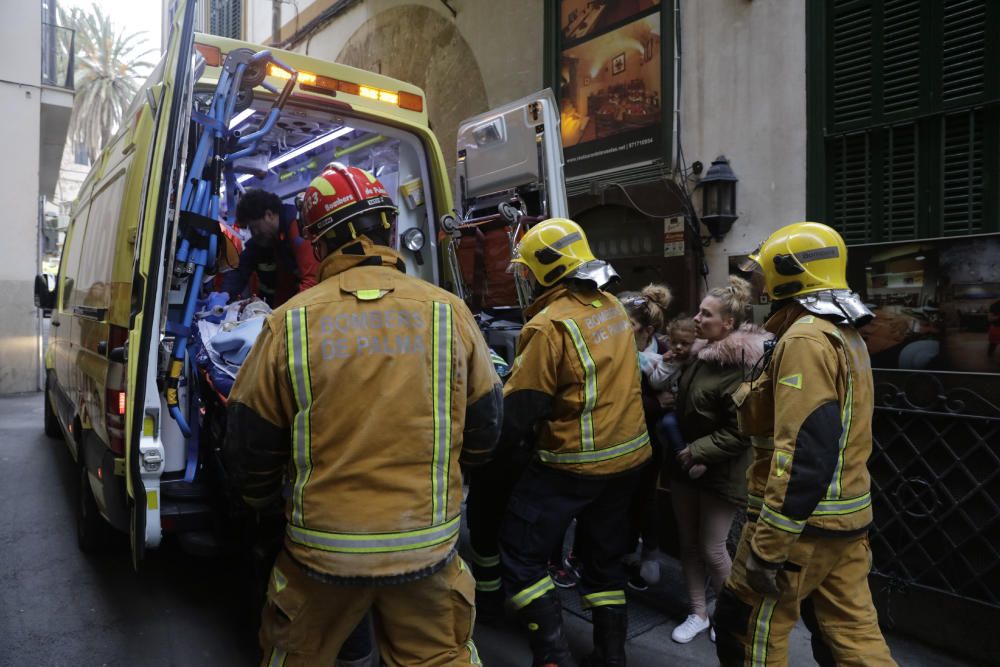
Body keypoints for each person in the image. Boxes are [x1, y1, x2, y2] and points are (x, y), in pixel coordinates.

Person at [224, 162, 503, 667]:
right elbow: (485, 428)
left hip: (321, 553)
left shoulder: (289, 323)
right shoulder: (448, 312)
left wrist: (267, 504)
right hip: (428, 547)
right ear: (388, 228)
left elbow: (249, 445)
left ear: (321, 243)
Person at [715, 221, 897, 666]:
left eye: (762, 272)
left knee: (748, 632)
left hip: (799, 528)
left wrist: (768, 549)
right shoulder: (843, 333)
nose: (756, 282)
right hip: (845, 524)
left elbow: (804, 455)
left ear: (789, 273)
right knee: (853, 639)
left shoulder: (804, 338)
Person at [497, 218, 650, 667]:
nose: (524, 278)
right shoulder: (612, 306)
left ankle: (553, 656)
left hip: (571, 466)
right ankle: (611, 655)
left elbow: (521, 409)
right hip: (629, 461)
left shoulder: (549, 326)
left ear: (545, 270)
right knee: (603, 561)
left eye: (526, 270)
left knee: (521, 557)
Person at [669, 276, 771, 645]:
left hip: (720, 469)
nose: (697, 319)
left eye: (706, 314)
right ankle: (697, 613)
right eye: (698, 311)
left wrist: (698, 451)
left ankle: (731, 615)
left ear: (728, 323)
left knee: (713, 548)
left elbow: (742, 429)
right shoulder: (700, 353)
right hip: (684, 465)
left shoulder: (741, 363)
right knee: (689, 544)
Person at [619, 284, 673, 591]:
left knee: (645, 498)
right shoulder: (617, 351)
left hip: (652, 441)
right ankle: (625, 552)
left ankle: (648, 554)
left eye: (631, 325)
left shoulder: (666, 351)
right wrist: (653, 403)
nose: (623, 330)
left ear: (648, 330)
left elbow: (673, 397)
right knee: (621, 498)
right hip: (620, 436)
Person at [220, 188, 319, 307]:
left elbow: (312, 281)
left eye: (254, 227)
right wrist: (224, 295)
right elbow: (241, 268)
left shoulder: (296, 227)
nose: (254, 233)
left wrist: (281, 314)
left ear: (269, 215)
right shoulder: (271, 237)